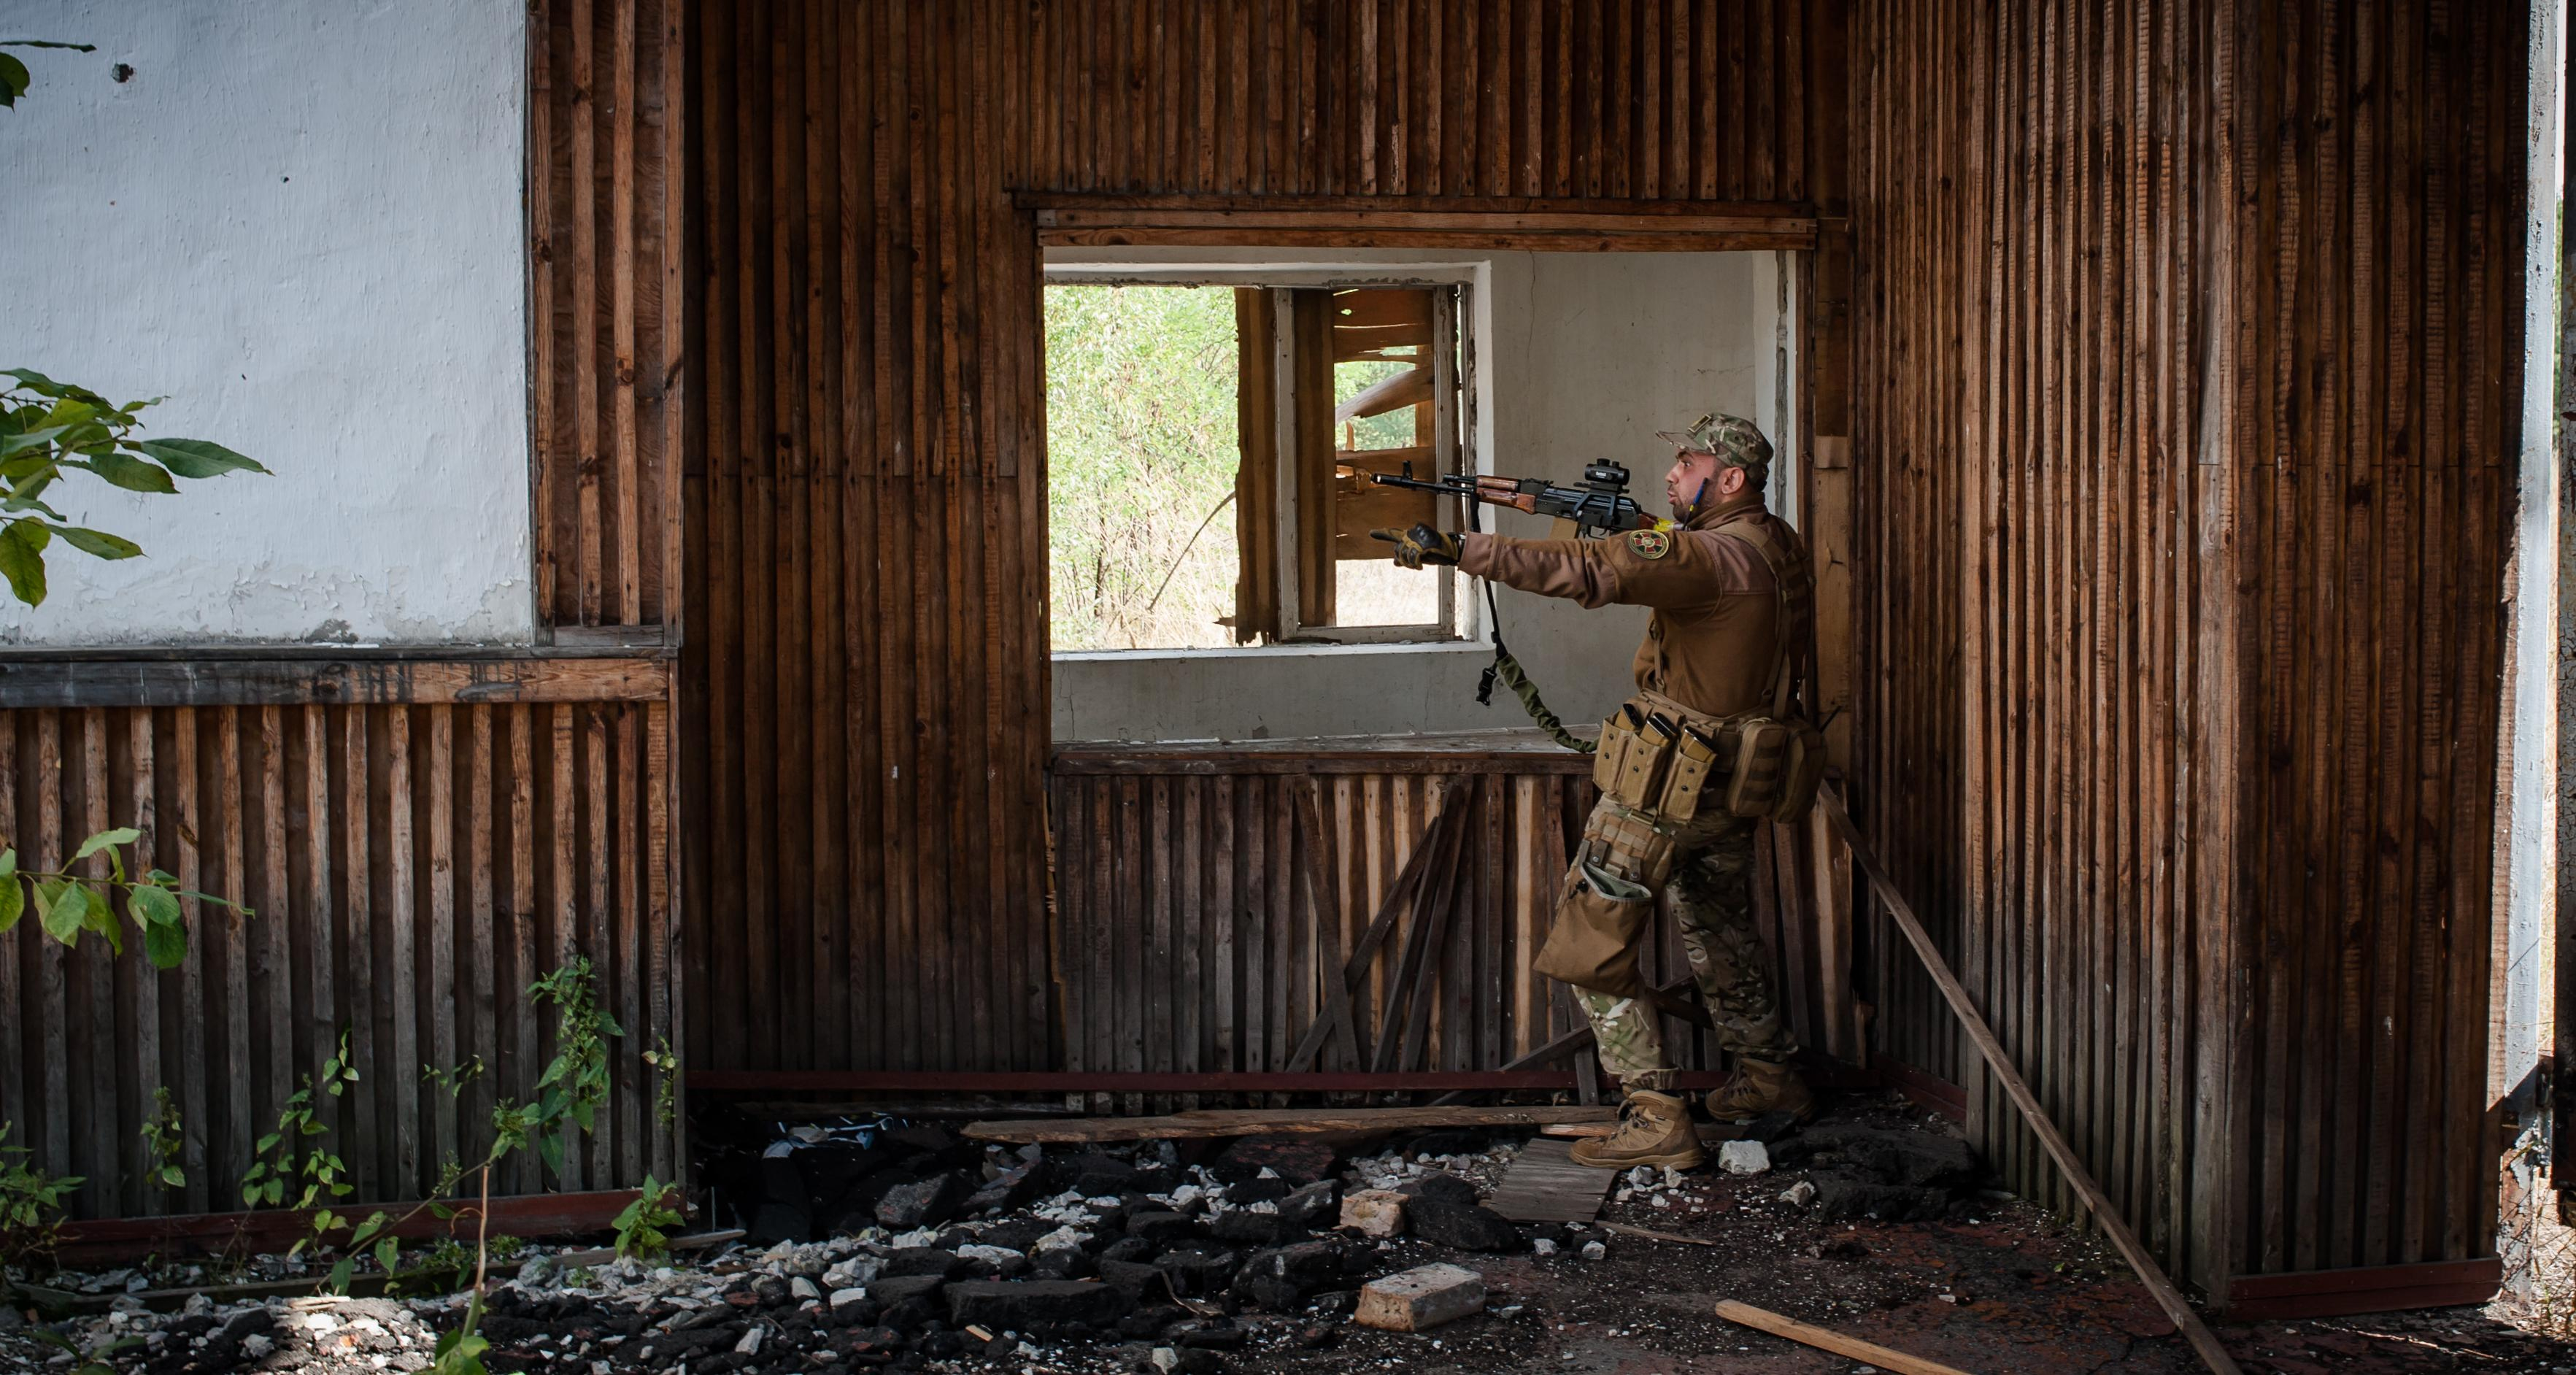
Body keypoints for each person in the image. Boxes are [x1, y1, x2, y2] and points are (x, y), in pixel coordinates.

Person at [1372, 413, 1816, 1171]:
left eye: (1687, 463)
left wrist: (1463, 550)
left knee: (1587, 943)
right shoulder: (1777, 546)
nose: (1673, 475)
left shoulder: (1703, 556)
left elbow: (1587, 568)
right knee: (1721, 936)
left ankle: (1653, 1114)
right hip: (1734, 784)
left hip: (1662, 792)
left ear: (1729, 479)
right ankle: (1769, 1079)